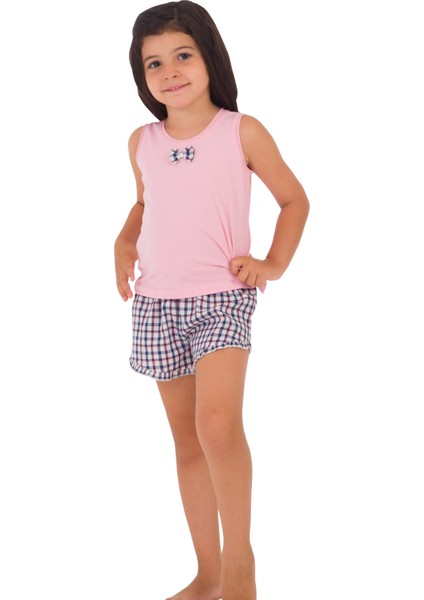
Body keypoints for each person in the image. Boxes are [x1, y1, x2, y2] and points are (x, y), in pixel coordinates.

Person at [114, 2, 309, 598]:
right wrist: (124, 240)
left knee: (218, 425)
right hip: (157, 303)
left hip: (222, 297)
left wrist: (272, 263)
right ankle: (209, 574)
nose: (169, 71)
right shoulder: (142, 141)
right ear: (141, 75)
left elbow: (294, 200)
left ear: (209, 58)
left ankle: (240, 567)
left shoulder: (241, 130)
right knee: (187, 440)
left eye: (183, 55)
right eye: (154, 63)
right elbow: (145, 202)